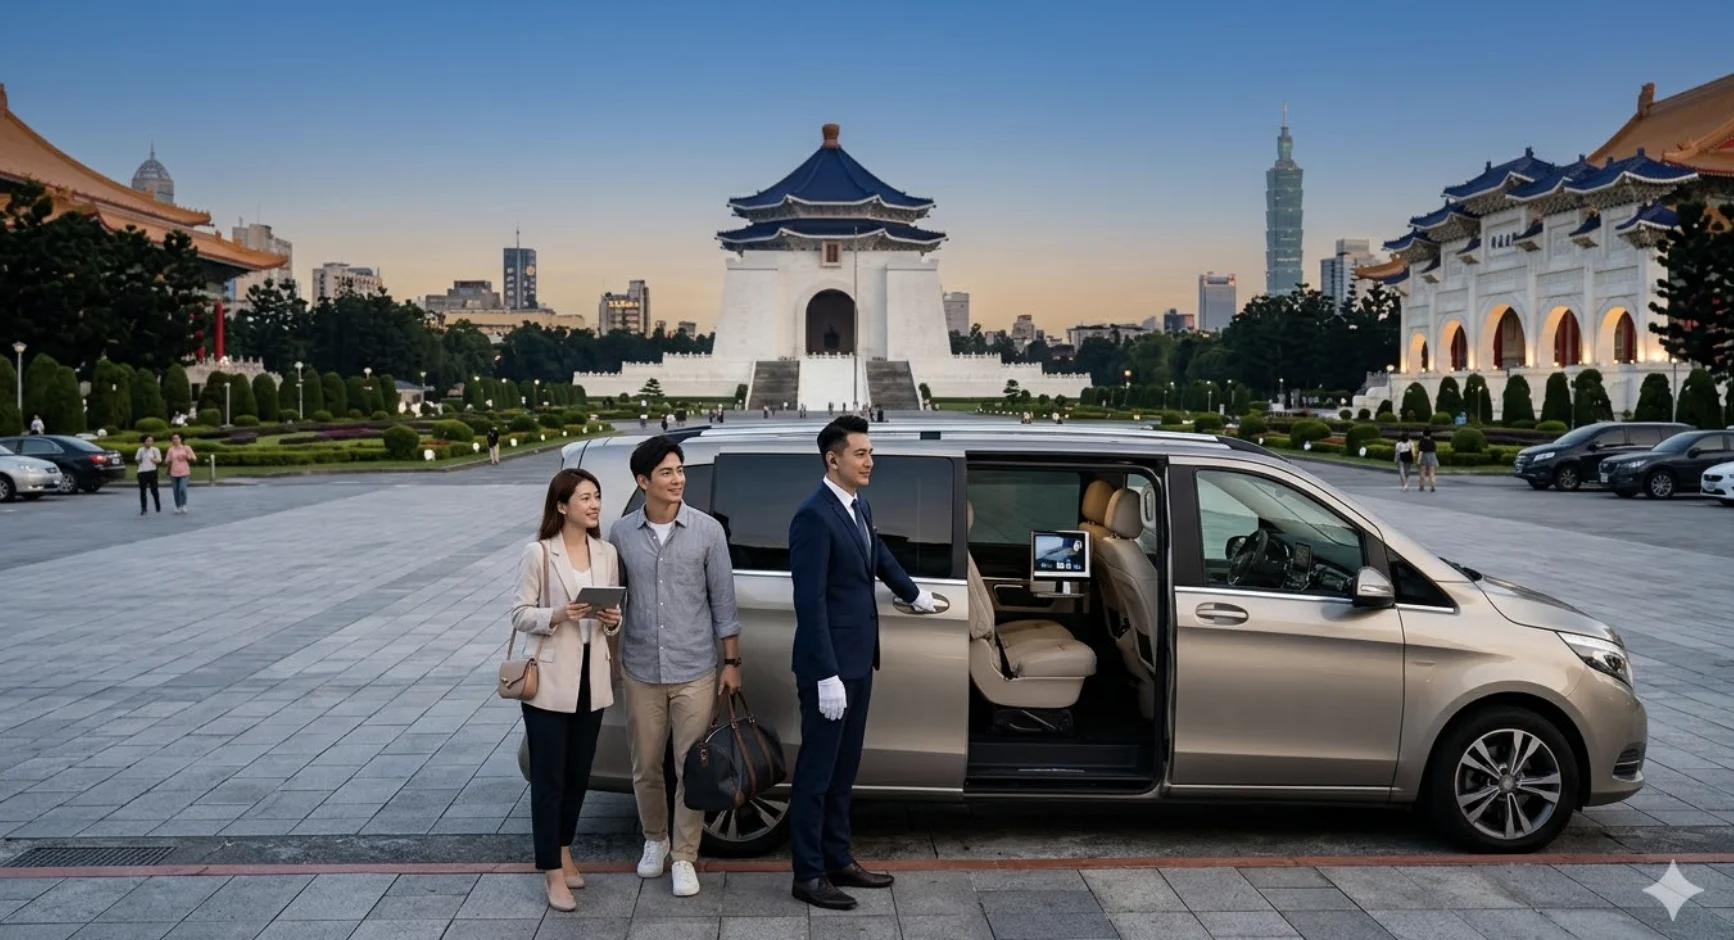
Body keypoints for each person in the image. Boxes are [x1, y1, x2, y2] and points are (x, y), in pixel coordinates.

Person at [786, 416, 936, 910]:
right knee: (816, 773)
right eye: (860, 454)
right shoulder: (813, 515)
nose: (870, 461)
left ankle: (838, 858)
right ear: (833, 459)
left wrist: (912, 594)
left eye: (870, 452)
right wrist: (826, 674)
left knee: (844, 769)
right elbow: (809, 604)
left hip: (858, 662)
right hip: (829, 668)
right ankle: (807, 874)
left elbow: (879, 553)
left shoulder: (858, 505)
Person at [608, 435, 742, 899]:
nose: (677, 479)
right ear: (643, 481)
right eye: (666, 472)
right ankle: (654, 840)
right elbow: (616, 598)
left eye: (680, 470)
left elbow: (723, 601)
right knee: (645, 765)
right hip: (641, 667)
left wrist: (731, 661)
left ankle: (685, 856)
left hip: (696, 668)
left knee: (692, 766)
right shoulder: (622, 534)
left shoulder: (707, 531)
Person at [511, 468, 623, 913]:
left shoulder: (607, 552)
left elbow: (613, 612)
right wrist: (557, 614)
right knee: (550, 780)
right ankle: (551, 872)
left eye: (597, 497)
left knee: (578, 777)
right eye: (585, 498)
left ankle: (564, 849)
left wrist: (613, 619)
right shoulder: (538, 553)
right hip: (548, 682)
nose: (594, 505)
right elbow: (519, 613)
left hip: (590, 681)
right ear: (562, 506)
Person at [164, 433, 197, 514]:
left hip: (184, 472)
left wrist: (186, 456)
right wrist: (168, 461)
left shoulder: (186, 448)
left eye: (177, 438)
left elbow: (194, 458)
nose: (175, 440)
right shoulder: (171, 449)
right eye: (173, 439)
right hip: (174, 472)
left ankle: (184, 504)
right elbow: (166, 460)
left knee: (182, 489)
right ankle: (178, 506)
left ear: (181, 439)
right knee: (175, 491)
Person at [135, 435, 163, 515]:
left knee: (154, 490)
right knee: (143, 491)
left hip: (152, 471)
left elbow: (159, 460)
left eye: (151, 441)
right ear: (144, 441)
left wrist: (154, 459)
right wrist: (139, 459)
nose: (150, 442)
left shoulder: (155, 450)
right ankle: (144, 508)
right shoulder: (140, 450)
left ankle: (157, 505)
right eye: (148, 440)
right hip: (142, 472)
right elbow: (137, 460)